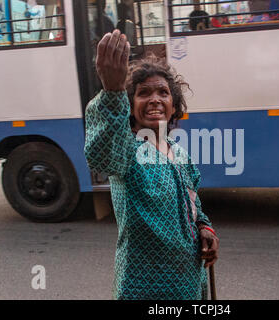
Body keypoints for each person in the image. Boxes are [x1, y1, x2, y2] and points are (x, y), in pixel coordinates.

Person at [84, 30, 219, 300]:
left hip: (189, 283)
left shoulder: (180, 153)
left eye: (163, 93)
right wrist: (112, 91)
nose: (155, 98)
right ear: (130, 107)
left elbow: (193, 204)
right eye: (143, 93)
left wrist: (205, 228)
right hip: (142, 288)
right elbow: (100, 155)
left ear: (173, 105)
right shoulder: (128, 151)